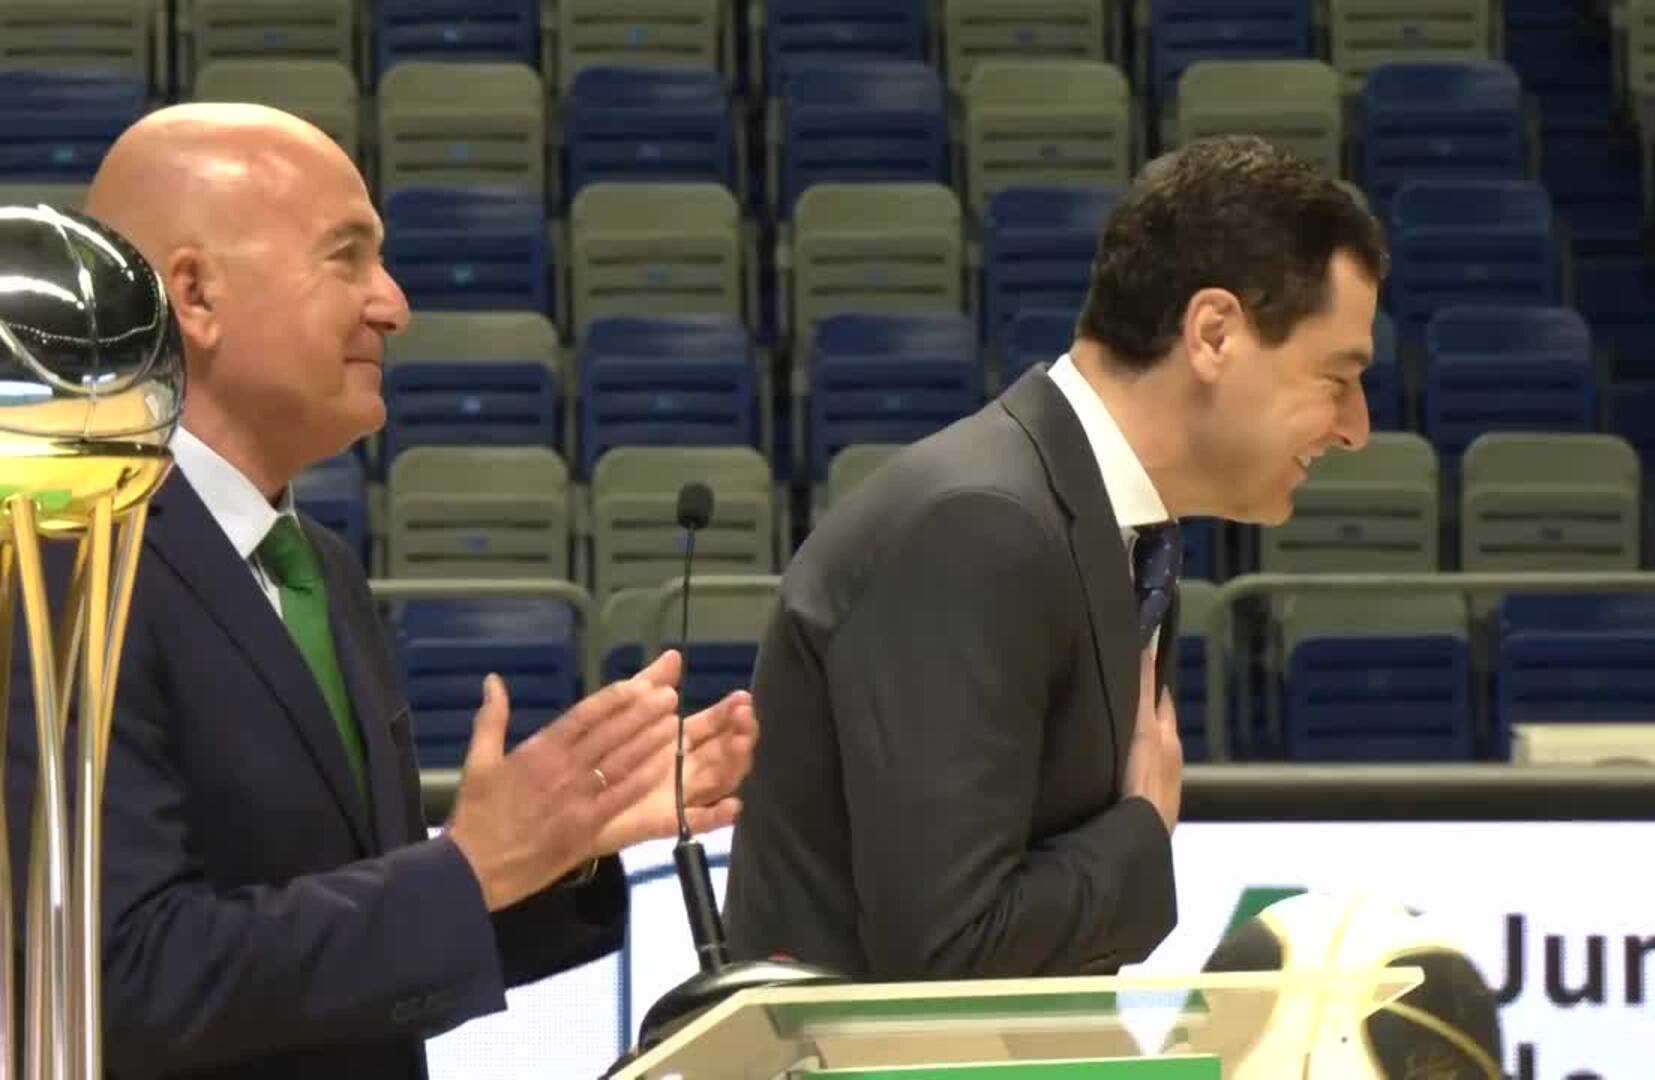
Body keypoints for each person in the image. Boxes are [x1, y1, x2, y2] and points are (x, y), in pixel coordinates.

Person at [3, 103, 758, 1078]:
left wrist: (552, 847)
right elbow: (122, 980)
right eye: (347, 257)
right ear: (194, 295)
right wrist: (467, 869)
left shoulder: (320, 568)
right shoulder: (56, 561)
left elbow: (367, 956)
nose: (393, 304)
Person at [722, 136, 1386, 981]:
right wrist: (1140, 835)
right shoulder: (980, 527)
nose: (1357, 428)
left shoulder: (1110, 527)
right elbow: (950, 951)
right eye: (1336, 378)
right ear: (1213, 333)